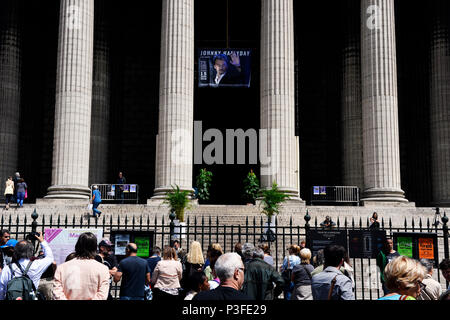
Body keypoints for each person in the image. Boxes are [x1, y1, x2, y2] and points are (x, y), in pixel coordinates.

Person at [53, 232, 110, 300]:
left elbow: (57, 294)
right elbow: (102, 296)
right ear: (95, 248)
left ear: (77, 246)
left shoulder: (61, 268)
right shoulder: (103, 269)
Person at [0, 233, 54, 300]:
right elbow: (50, 257)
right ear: (31, 251)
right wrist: (42, 241)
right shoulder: (37, 265)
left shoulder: (8, 268)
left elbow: (2, 289)